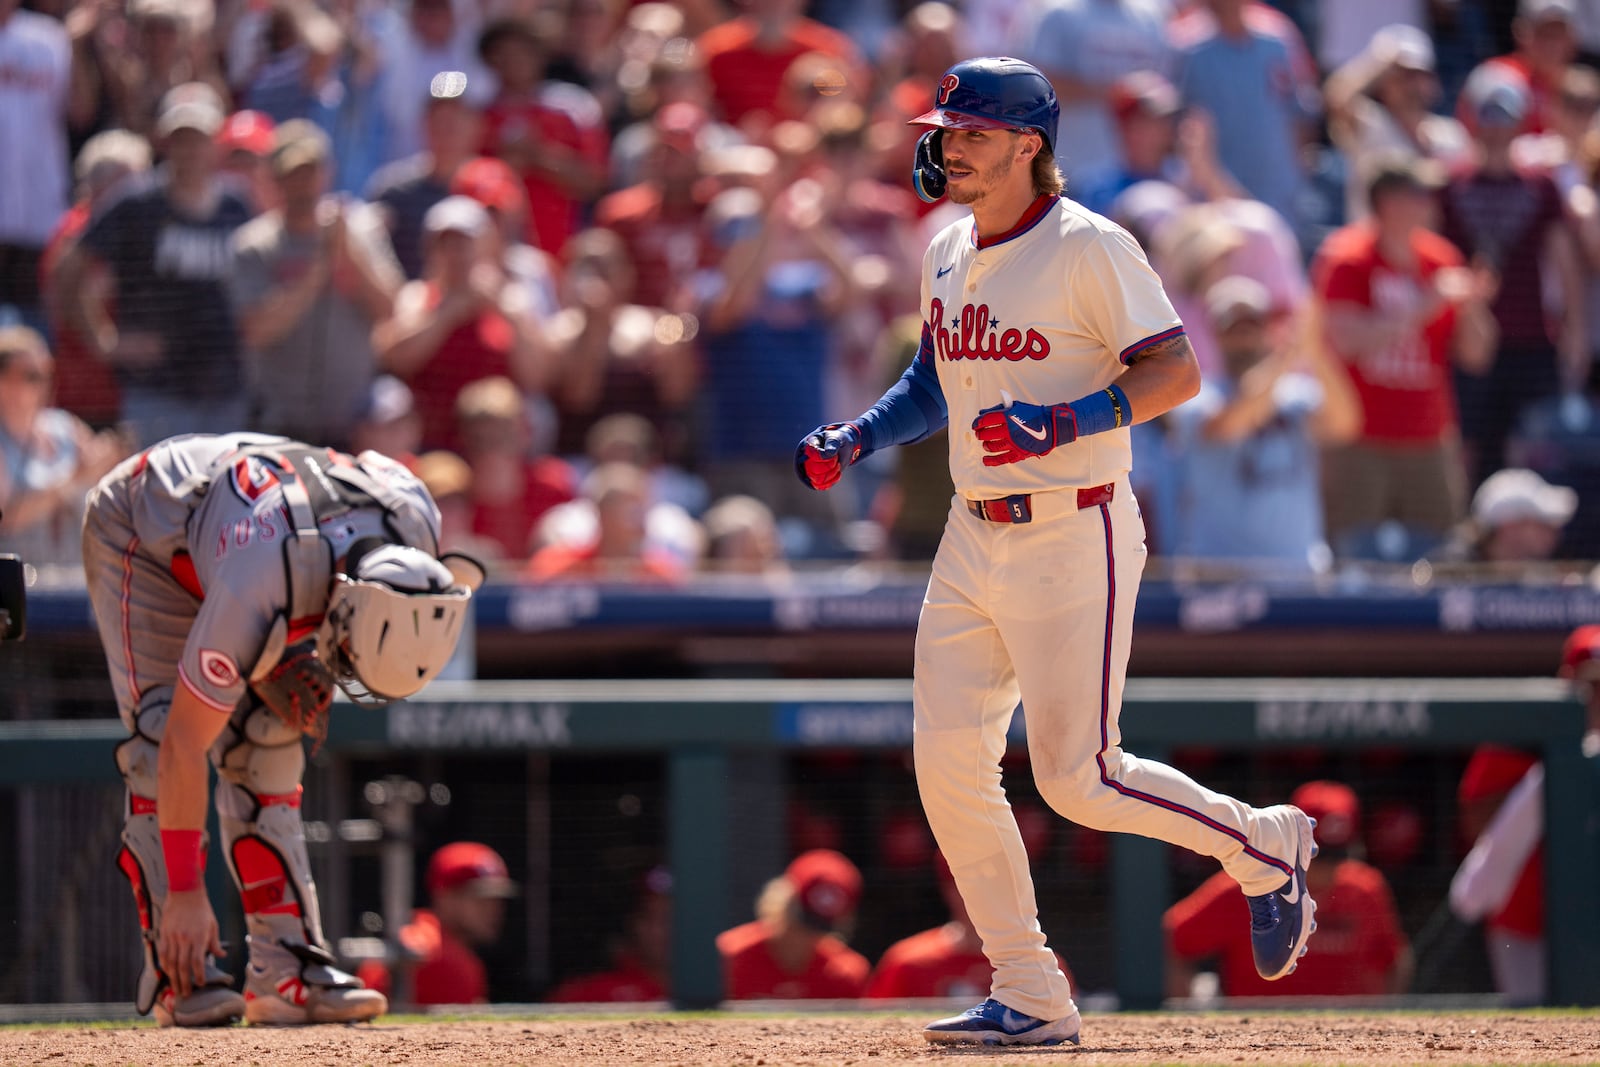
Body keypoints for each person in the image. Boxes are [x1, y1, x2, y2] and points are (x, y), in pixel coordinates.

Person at [797, 58, 1317, 1046]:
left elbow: (1177, 370)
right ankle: (1029, 985)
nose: (949, 147)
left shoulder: (1089, 244)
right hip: (969, 529)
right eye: (945, 131)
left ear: (1027, 144)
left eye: (971, 132)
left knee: (1079, 776)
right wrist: (859, 434)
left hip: (1074, 526)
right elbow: (933, 373)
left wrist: (1067, 418)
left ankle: (1263, 845)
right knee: (948, 761)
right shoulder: (946, 245)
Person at [82, 432, 485, 1026]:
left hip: (259, 526)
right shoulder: (261, 576)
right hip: (148, 534)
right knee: (160, 733)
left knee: (268, 739)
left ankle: (285, 968)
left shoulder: (415, 519)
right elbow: (184, 747)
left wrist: (302, 642)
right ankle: (177, 970)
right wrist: (192, 893)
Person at [1314, 157, 1498, 555]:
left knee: (1443, 555)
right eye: (1419, 193)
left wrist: (1472, 306)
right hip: (1358, 438)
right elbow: (1343, 341)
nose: (1430, 202)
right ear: (1389, 201)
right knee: (1352, 556)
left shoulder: (1441, 259)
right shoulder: (1348, 258)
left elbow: (1477, 355)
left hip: (1429, 436)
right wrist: (1425, 305)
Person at [55, 83, 256, 448]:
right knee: (157, 502)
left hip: (225, 390)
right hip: (156, 393)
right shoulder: (135, 204)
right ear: (164, 142)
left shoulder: (237, 205)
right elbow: (68, 269)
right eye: (181, 138)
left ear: (216, 142)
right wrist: (105, 342)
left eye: (199, 138)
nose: (190, 150)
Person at [1448, 625, 1600, 1005]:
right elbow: (1474, 819)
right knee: (1532, 1025)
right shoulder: (1520, 736)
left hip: (1592, 915)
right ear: (1567, 681)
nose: (1598, 697)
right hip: (1522, 917)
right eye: (1591, 686)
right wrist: (1544, 784)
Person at [1166, 276, 1361, 572]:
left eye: (1253, 327)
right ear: (1215, 334)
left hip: (1298, 575)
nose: (1245, 338)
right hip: (1219, 578)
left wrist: (1315, 351)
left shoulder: (1294, 392)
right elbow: (1231, 425)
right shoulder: (1196, 397)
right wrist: (1286, 355)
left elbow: (1345, 424)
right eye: (1235, 329)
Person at [230, 120, 403, 450]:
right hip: (280, 424)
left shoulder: (361, 231)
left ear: (328, 173)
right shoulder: (255, 244)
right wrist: (319, 268)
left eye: (311, 173)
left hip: (355, 424)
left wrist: (349, 252)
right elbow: (258, 331)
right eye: (293, 175)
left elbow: (390, 309)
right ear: (275, 180)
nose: (304, 185)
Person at [1165, 780, 1413, 999]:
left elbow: (1395, 960)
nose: (1326, 870)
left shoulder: (1365, 888)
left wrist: (1380, 1017)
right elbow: (1168, 938)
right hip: (1253, 1033)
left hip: (1345, 1033)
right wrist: (1186, 1007)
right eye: (1316, 857)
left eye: (1335, 859)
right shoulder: (1246, 882)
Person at [864, 852, 1074, 1001]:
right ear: (948, 889)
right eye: (970, 884)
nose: (984, 895)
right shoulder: (907, 962)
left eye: (995, 884)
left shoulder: (1041, 964)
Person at [1008, 0, 1171, 185]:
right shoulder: (1056, 12)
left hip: (1139, 174)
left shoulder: (1150, 16)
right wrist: (1109, 92)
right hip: (1070, 167)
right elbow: (1033, 88)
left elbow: (1165, 90)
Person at [0, 326, 124, 568]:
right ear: (2, 381)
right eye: (31, 375)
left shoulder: (65, 426)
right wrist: (71, 481)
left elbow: (102, 475)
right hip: (21, 586)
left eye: (47, 371)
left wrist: (114, 459)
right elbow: (7, 519)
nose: (44, 382)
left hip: (74, 581)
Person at [1324, 24, 1472, 224]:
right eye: (1402, 76)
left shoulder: (1451, 134)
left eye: (1419, 75)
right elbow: (1336, 98)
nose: (1412, 85)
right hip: (1373, 251)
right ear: (1384, 82)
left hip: (1429, 250)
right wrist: (1379, 63)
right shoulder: (1369, 124)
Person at [358, 841, 519, 1006]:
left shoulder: (422, 927)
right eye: (480, 900)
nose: (493, 910)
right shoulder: (441, 953)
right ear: (444, 897)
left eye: (497, 900)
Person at [0, 0, 71, 333]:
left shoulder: (49, 38)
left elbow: (80, 111)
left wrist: (85, 41)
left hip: (38, 210)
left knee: (32, 334)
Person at [716, 849, 871, 1000]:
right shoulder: (729, 957)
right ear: (781, 901)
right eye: (799, 923)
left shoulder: (847, 973)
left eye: (816, 929)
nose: (803, 938)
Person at [547, 865, 672, 1003]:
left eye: (686, 920)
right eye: (663, 919)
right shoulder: (590, 995)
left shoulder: (699, 990)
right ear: (637, 925)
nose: (674, 930)